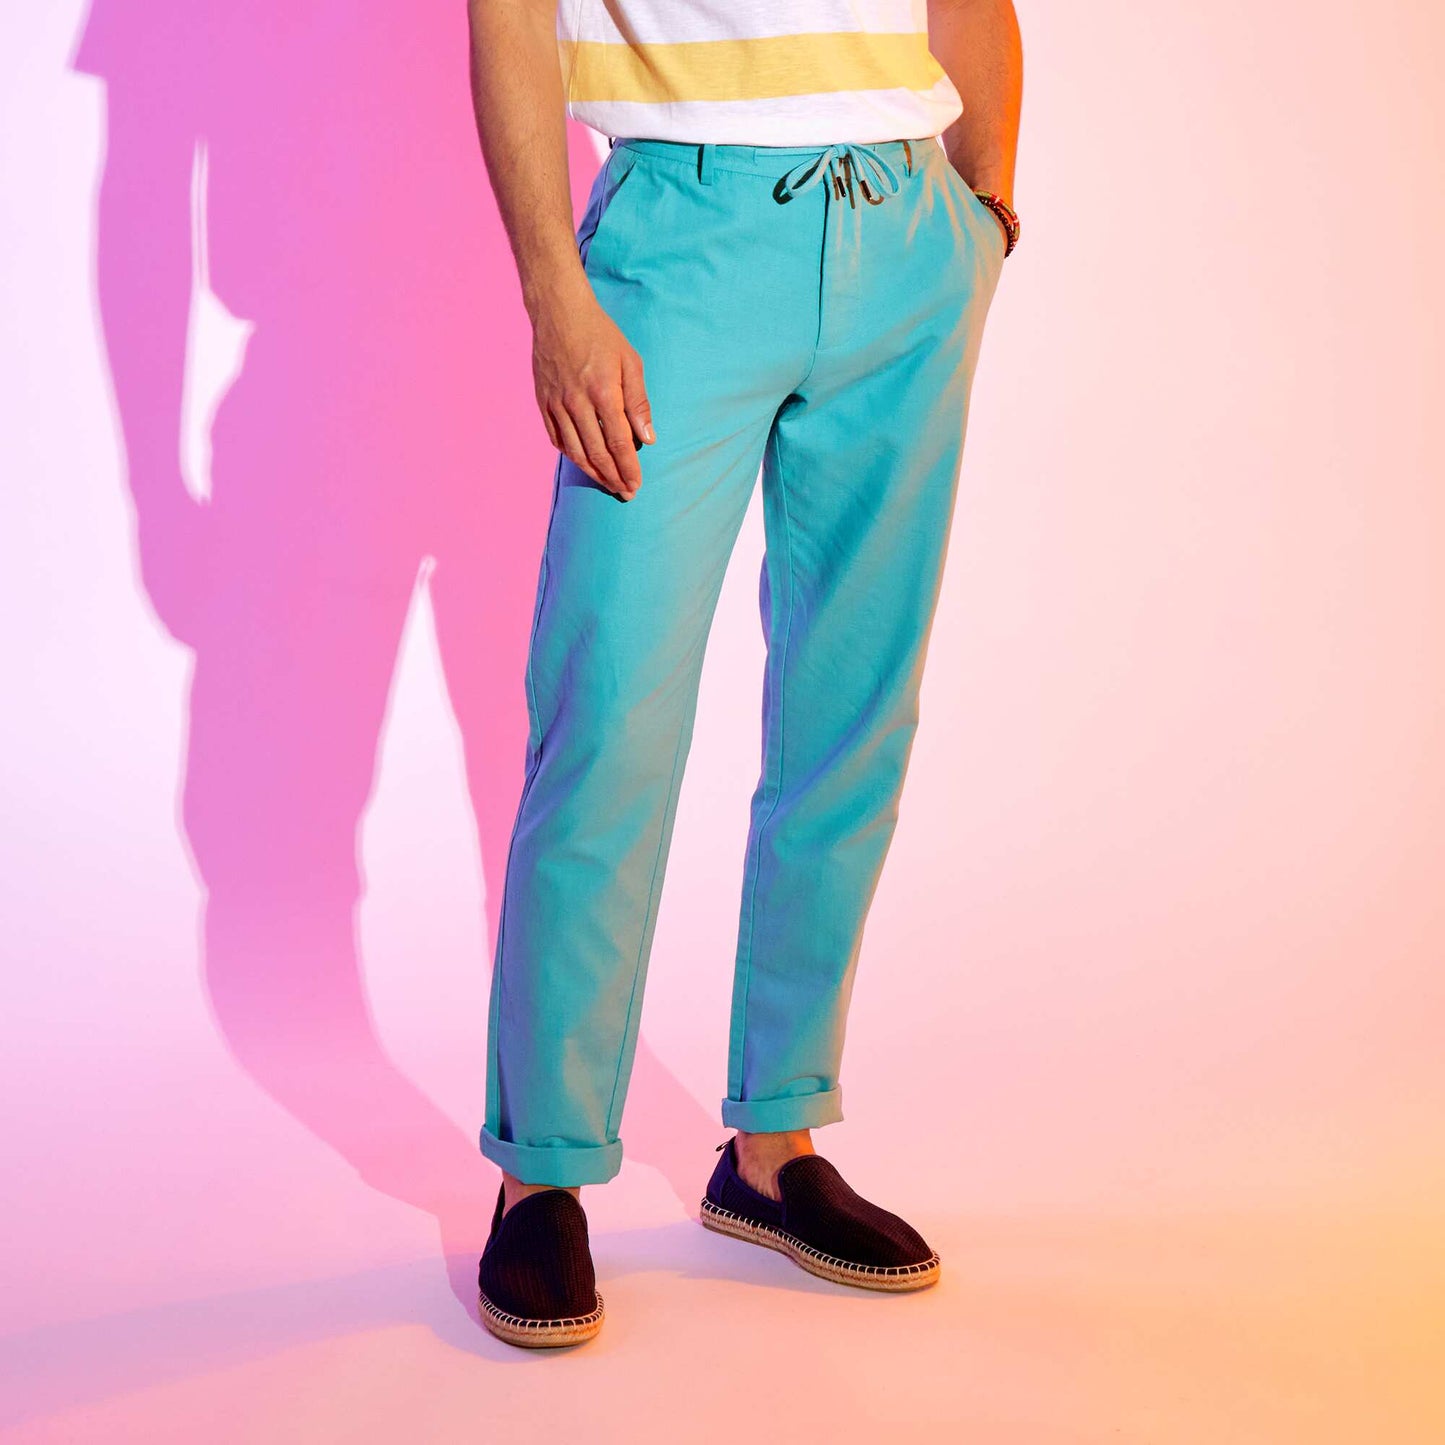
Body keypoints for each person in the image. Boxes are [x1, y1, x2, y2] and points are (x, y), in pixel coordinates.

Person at [466, 0, 1022, 1347]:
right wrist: (555, 291)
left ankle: (776, 1141)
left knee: (852, 715)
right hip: (681, 234)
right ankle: (541, 1171)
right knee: (608, 716)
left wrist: (983, 218)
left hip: (905, 233)